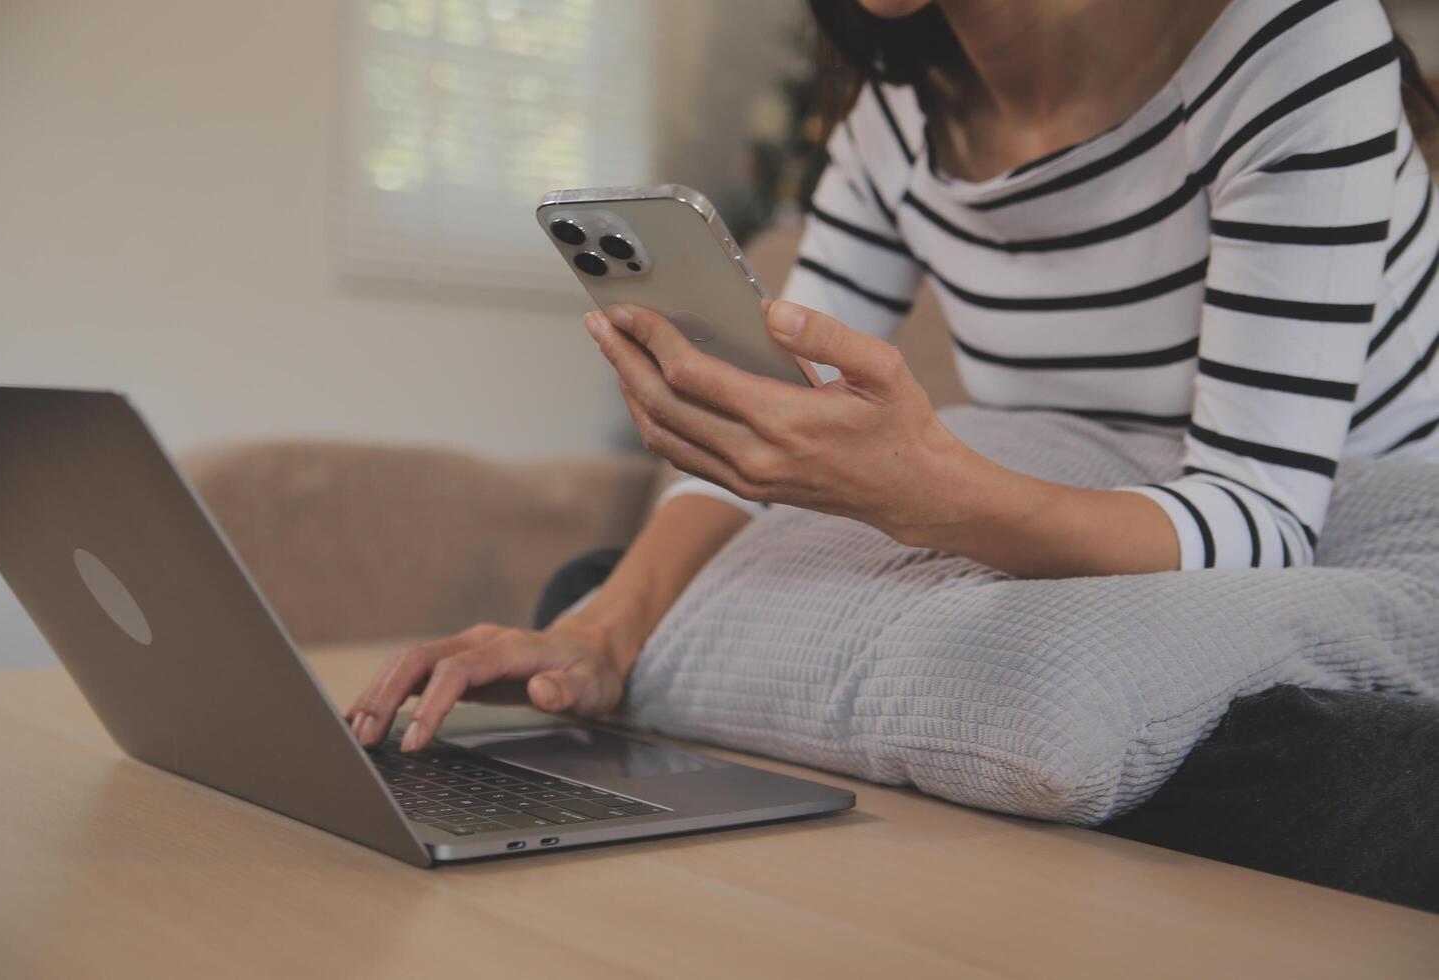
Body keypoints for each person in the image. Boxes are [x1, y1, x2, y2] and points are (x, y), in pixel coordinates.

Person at [345, 0, 1439, 764]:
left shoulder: (1294, 39)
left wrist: (933, 495)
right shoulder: (894, 126)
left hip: (1356, 537)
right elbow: (776, 435)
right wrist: (601, 634)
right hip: (1101, 553)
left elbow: (1264, 520)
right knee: (596, 580)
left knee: (1312, 761)